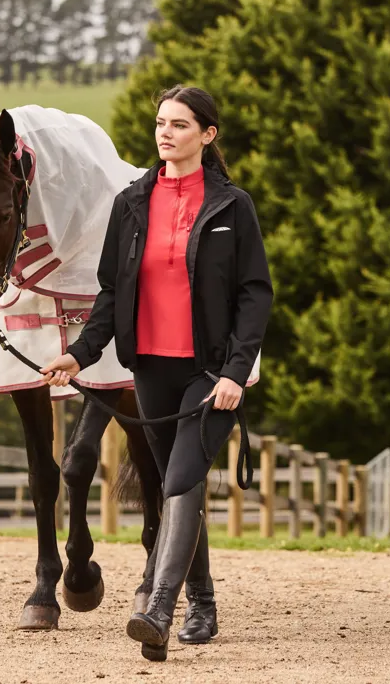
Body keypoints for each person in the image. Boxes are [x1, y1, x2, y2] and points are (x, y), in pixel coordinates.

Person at [40, 85, 273, 661]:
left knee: (180, 478)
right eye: (161, 124)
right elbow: (112, 292)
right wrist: (81, 353)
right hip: (149, 367)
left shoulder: (231, 206)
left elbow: (255, 295)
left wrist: (236, 372)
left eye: (180, 125)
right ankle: (205, 604)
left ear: (207, 134)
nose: (165, 133)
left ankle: (160, 609)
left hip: (210, 372)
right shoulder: (132, 202)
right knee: (177, 483)